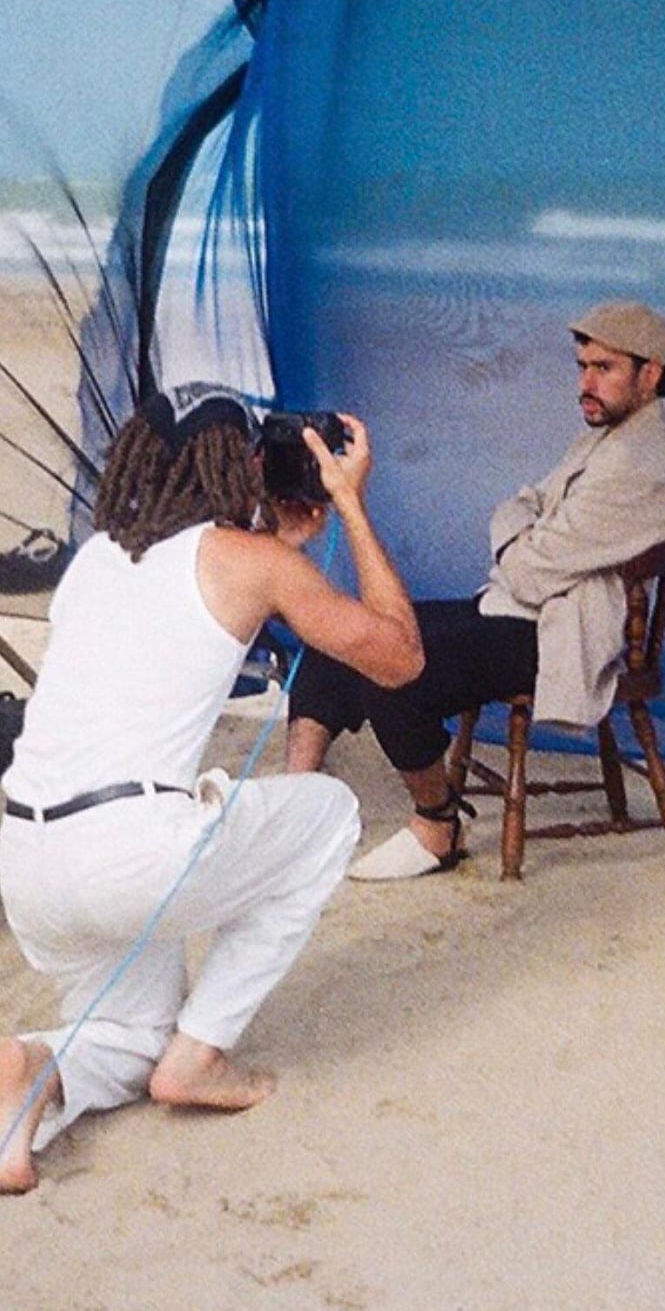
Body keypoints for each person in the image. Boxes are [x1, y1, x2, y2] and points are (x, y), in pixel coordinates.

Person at [0, 382, 423, 1194]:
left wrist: (279, 544)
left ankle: (28, 1076)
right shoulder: (252, 562)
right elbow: (400, 658)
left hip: (28, 864)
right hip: (130, 858)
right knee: (329, 813)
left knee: (129, 1041)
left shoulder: (97, 559)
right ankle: (200, 1055)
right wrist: (349, 504)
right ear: (245, 465)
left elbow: (193, 601)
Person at [287, 300, 665, 881]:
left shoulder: (640, 462)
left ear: (649, 375)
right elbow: (519, 505)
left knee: (393, 667)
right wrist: (526, 538)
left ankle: (437, 826)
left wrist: (521, 543)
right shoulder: (609, 437)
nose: (586, 383)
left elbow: (526, 570)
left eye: (604, 368)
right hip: (522, 608)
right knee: (343, 634)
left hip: (559, 633)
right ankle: (291, 803)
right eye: (582, 367)